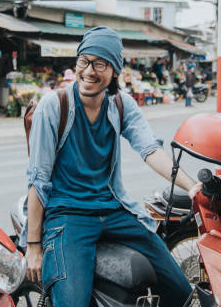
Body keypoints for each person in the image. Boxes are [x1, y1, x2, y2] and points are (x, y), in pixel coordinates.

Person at [23, 26, 197, 307]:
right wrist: (33, 246)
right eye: (84, 61)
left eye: (100, 64)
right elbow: (38, 178)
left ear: (115, 71)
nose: (89, 71)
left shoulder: (121, 104)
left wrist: (193, 187)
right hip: (68, 214)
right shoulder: (54, 106)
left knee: (180, 291)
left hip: (114, 210)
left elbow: (150, 149)